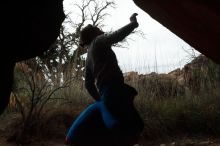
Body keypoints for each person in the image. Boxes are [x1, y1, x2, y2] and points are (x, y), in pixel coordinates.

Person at [66, 13, 144, 146]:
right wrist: (133, 24)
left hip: (106, 93)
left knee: (127, 126)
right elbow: (116, 35)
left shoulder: (89, 56)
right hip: (115, 90)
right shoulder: (98, 40)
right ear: (94, 34)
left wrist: (101, 99)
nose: (100, 29)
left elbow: (88, 84)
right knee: (133, 126)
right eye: (97, 28)